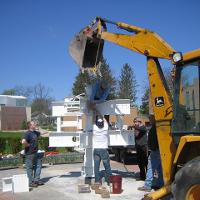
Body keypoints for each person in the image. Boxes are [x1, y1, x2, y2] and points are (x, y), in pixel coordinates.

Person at [138, 115, 164, 192]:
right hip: (159, 150)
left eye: (150, 119)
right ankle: (160, 183)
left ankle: (147, 185)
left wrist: (153, 148)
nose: (149, 120)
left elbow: (154, 140)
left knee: (151, 167)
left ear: (154, 119)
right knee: (159, 167)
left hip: (155, 150)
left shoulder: (155, 128)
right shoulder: (158, 127)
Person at [21, 121, 44, 187]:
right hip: (29, 154)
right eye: (34, 124)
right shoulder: (27, 133)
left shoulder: (35, 133)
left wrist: (50, 132)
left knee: (38, 166)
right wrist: (27, 145)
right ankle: (30, 182)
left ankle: (36, 180)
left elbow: (43, 133)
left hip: (36, 152)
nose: (35, 124)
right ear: (30, 126)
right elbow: (23, 141)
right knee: (30, 168)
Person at [93, 115, 112, 185]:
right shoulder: (105, 128)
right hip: (103, 150)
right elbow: (106, 122)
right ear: (103, 123)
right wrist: (101, 115)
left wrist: (95, 112)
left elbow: (93, 120)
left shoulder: (94, 128)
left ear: (97, 124)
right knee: (107, 166)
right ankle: (110, 181)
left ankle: (97, 181)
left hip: (96, 150)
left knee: (96, 166)